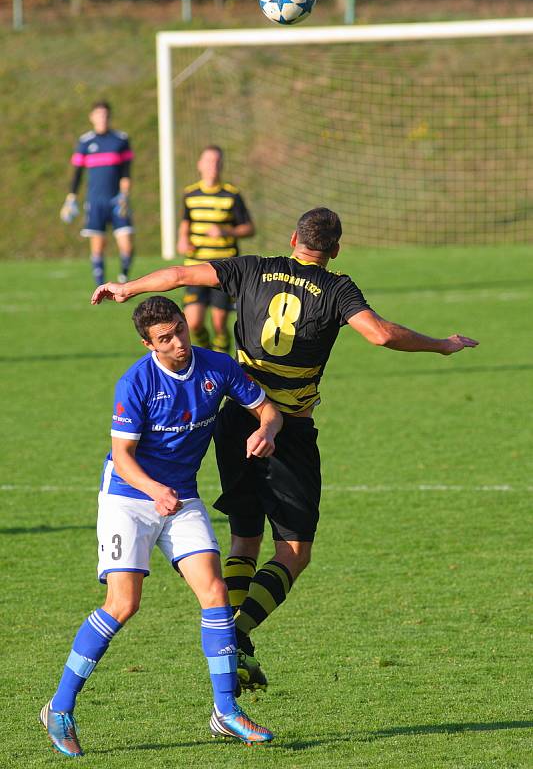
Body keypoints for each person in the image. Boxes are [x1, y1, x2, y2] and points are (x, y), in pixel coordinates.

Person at [91, 207, 479, 695]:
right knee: (294, 551)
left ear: (294, 237)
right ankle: (232, 636)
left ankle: (229, 640)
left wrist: (129, 288)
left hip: (236, 420)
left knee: (244, 540)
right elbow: (379, 334)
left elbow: (181, 273)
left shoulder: (252, 268)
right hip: (287, 429)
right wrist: (441, 344)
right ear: (335, 250)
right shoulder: (337, 289)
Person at [40, 296, 282, 757]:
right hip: (129, 499)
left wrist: (266, 429)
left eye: (179, 331)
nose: (178, 344)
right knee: (123, 603)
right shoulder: (135, 383)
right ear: (148, 344)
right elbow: (124, 460)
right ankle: (60, 706)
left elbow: (268, 408)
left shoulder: (216, 367)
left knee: (214, 593)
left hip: (180, 498)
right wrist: (155, 491)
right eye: (165, 339)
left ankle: (225, 711)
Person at [178, 145, 255, 353]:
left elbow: (249, 228)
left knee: (219, 323)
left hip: (224, 268)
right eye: (209, 161)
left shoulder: (231, 195)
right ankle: (206, 356)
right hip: (195, 266)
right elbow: (186, 223)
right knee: (193, 322)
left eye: (217, 161)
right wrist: (182, 240)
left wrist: (226, 231)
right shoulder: (190, 194)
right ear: (199, 165)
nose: (213, 166)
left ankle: (221, 363)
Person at [60, 101, 135, 287]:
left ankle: (123, 277)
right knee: (98, 246)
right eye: (98, 114)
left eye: (105, 115)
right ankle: (101, 286)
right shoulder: (85, 142)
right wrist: (71, 198)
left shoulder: (120, 140)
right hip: (95, 202)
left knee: (126, 245)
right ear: (92, 117)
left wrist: (124, 195)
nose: (102, 118)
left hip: (117, 201)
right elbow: (77, 173)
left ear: (109, 117)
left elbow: (126, 172)